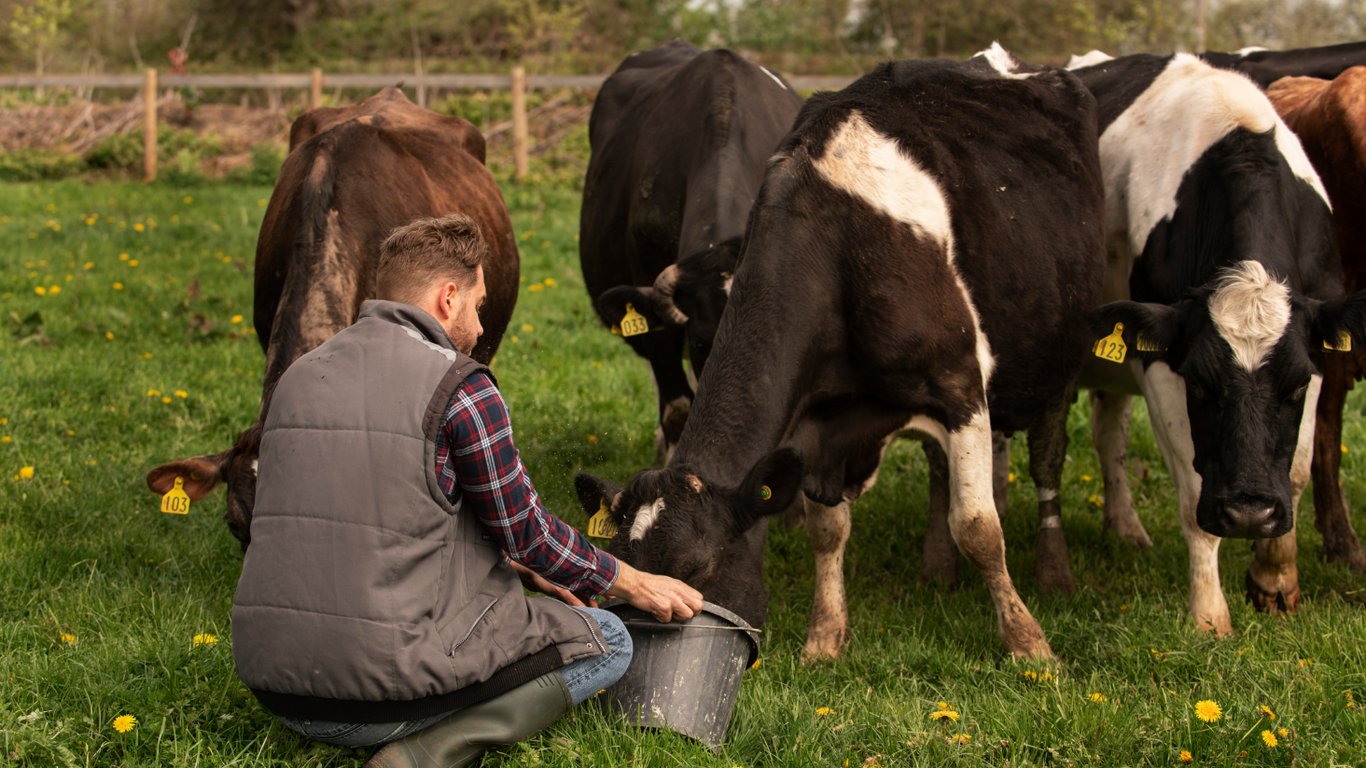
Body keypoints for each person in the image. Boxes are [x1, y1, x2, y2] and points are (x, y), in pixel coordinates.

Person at [229, 213, 704, 768]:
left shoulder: (299, 376)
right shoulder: (462, 386)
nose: (480, 329)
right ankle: (428, 751)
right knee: (608, 641)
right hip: (378, 699)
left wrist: (518, 568)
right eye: (479, 307)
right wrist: (632, 581)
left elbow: (374, 510)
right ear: (448, 297)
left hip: (277, 690)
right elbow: (528, 534)